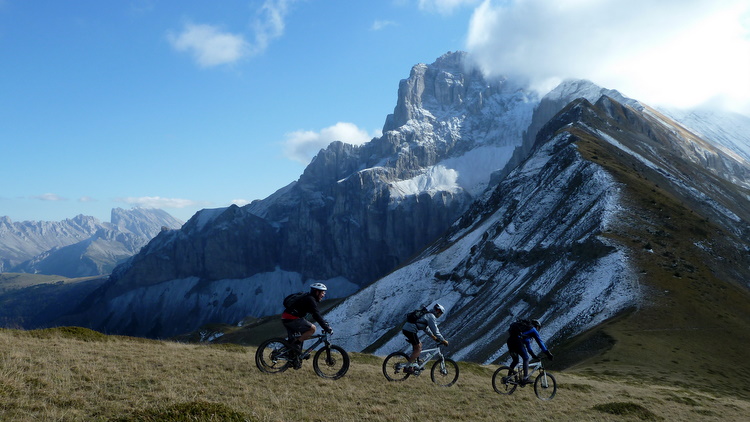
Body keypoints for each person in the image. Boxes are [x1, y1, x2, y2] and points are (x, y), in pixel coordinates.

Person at [281, 283, 333, 357]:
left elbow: (315, 315)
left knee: (300, 335)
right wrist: (326, 327)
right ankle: (295, 345)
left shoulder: (308, 297)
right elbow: (316, 315)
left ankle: (294, 357)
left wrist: (324, 323)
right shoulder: (310, 300)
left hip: (286, 317)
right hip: (291, 318)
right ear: (317, 292)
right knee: (312, 329)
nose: (323, 295)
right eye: (322, 292)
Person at [401, 303, 449, 373]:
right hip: (410, 330)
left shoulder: (427, 314)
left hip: (407, 329)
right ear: (438, 311)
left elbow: (425, 328)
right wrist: (443, 340)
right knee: (418, 349)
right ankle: (407, 367)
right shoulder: (431, 316)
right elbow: (435, 331)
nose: (440, 315)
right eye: (440, 313)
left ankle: (414, 363)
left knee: (419, 345)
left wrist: (433, 337)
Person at [505, 319, 553, 385]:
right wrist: (547, 353)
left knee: (515, 361)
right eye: (538, 327)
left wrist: (533, 355)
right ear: (536, 326)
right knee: (526, 358)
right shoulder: (533, 329)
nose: (538, 329)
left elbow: (528, 347)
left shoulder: (525, 332)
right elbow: (540, 342)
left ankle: (508, 377)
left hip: (510, 341)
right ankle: (525, 378)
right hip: (517, 342)